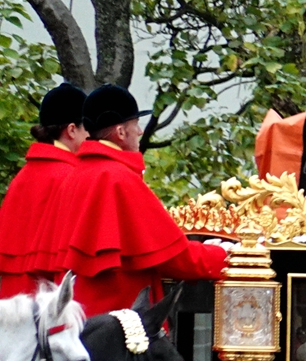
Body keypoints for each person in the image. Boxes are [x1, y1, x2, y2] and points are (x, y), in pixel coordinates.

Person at [51, 85, 229, 315]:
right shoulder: (119, 178)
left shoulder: (74, 175)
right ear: (121, 132)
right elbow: (175, 258)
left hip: (79, 321)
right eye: (136, 124)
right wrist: (225, 256)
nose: (140, 131)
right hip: (120, 325)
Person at [0, 84, 87, 298]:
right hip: (47, 308)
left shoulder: (23, 175)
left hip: (10, 305)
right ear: (72, 130)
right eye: (88, 130)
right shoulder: (72, 177)